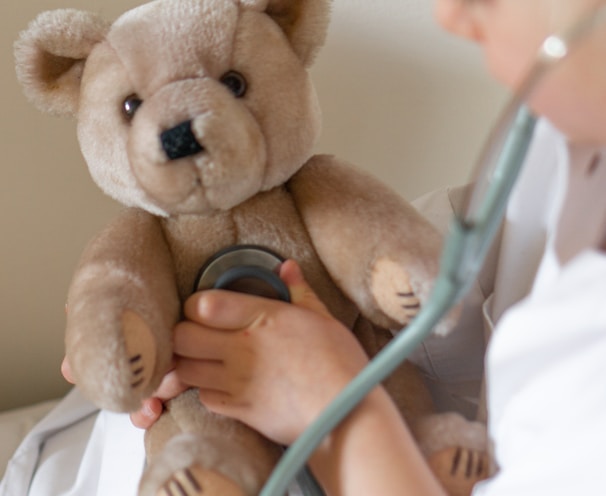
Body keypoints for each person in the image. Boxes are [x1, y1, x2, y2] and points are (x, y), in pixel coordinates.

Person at [3, 0, 606, 494]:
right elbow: (469, 268)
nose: (450, 15)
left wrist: (336, 405)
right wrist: (130, 328)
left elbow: (402, 262)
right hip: (150, 436)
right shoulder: (564, 138)